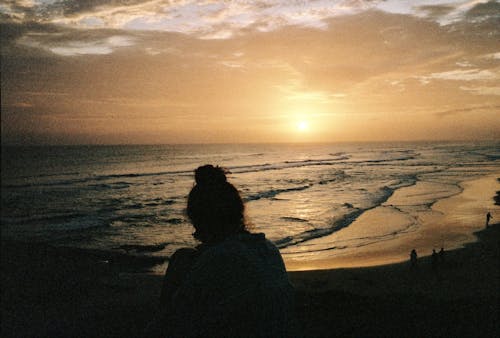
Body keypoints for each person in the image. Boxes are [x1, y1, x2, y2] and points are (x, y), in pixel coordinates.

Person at [146, 165, 294, 337]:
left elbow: (169, 322)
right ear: (239, 211)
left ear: (196, 218)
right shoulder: (268, 249)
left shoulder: (217, 259)